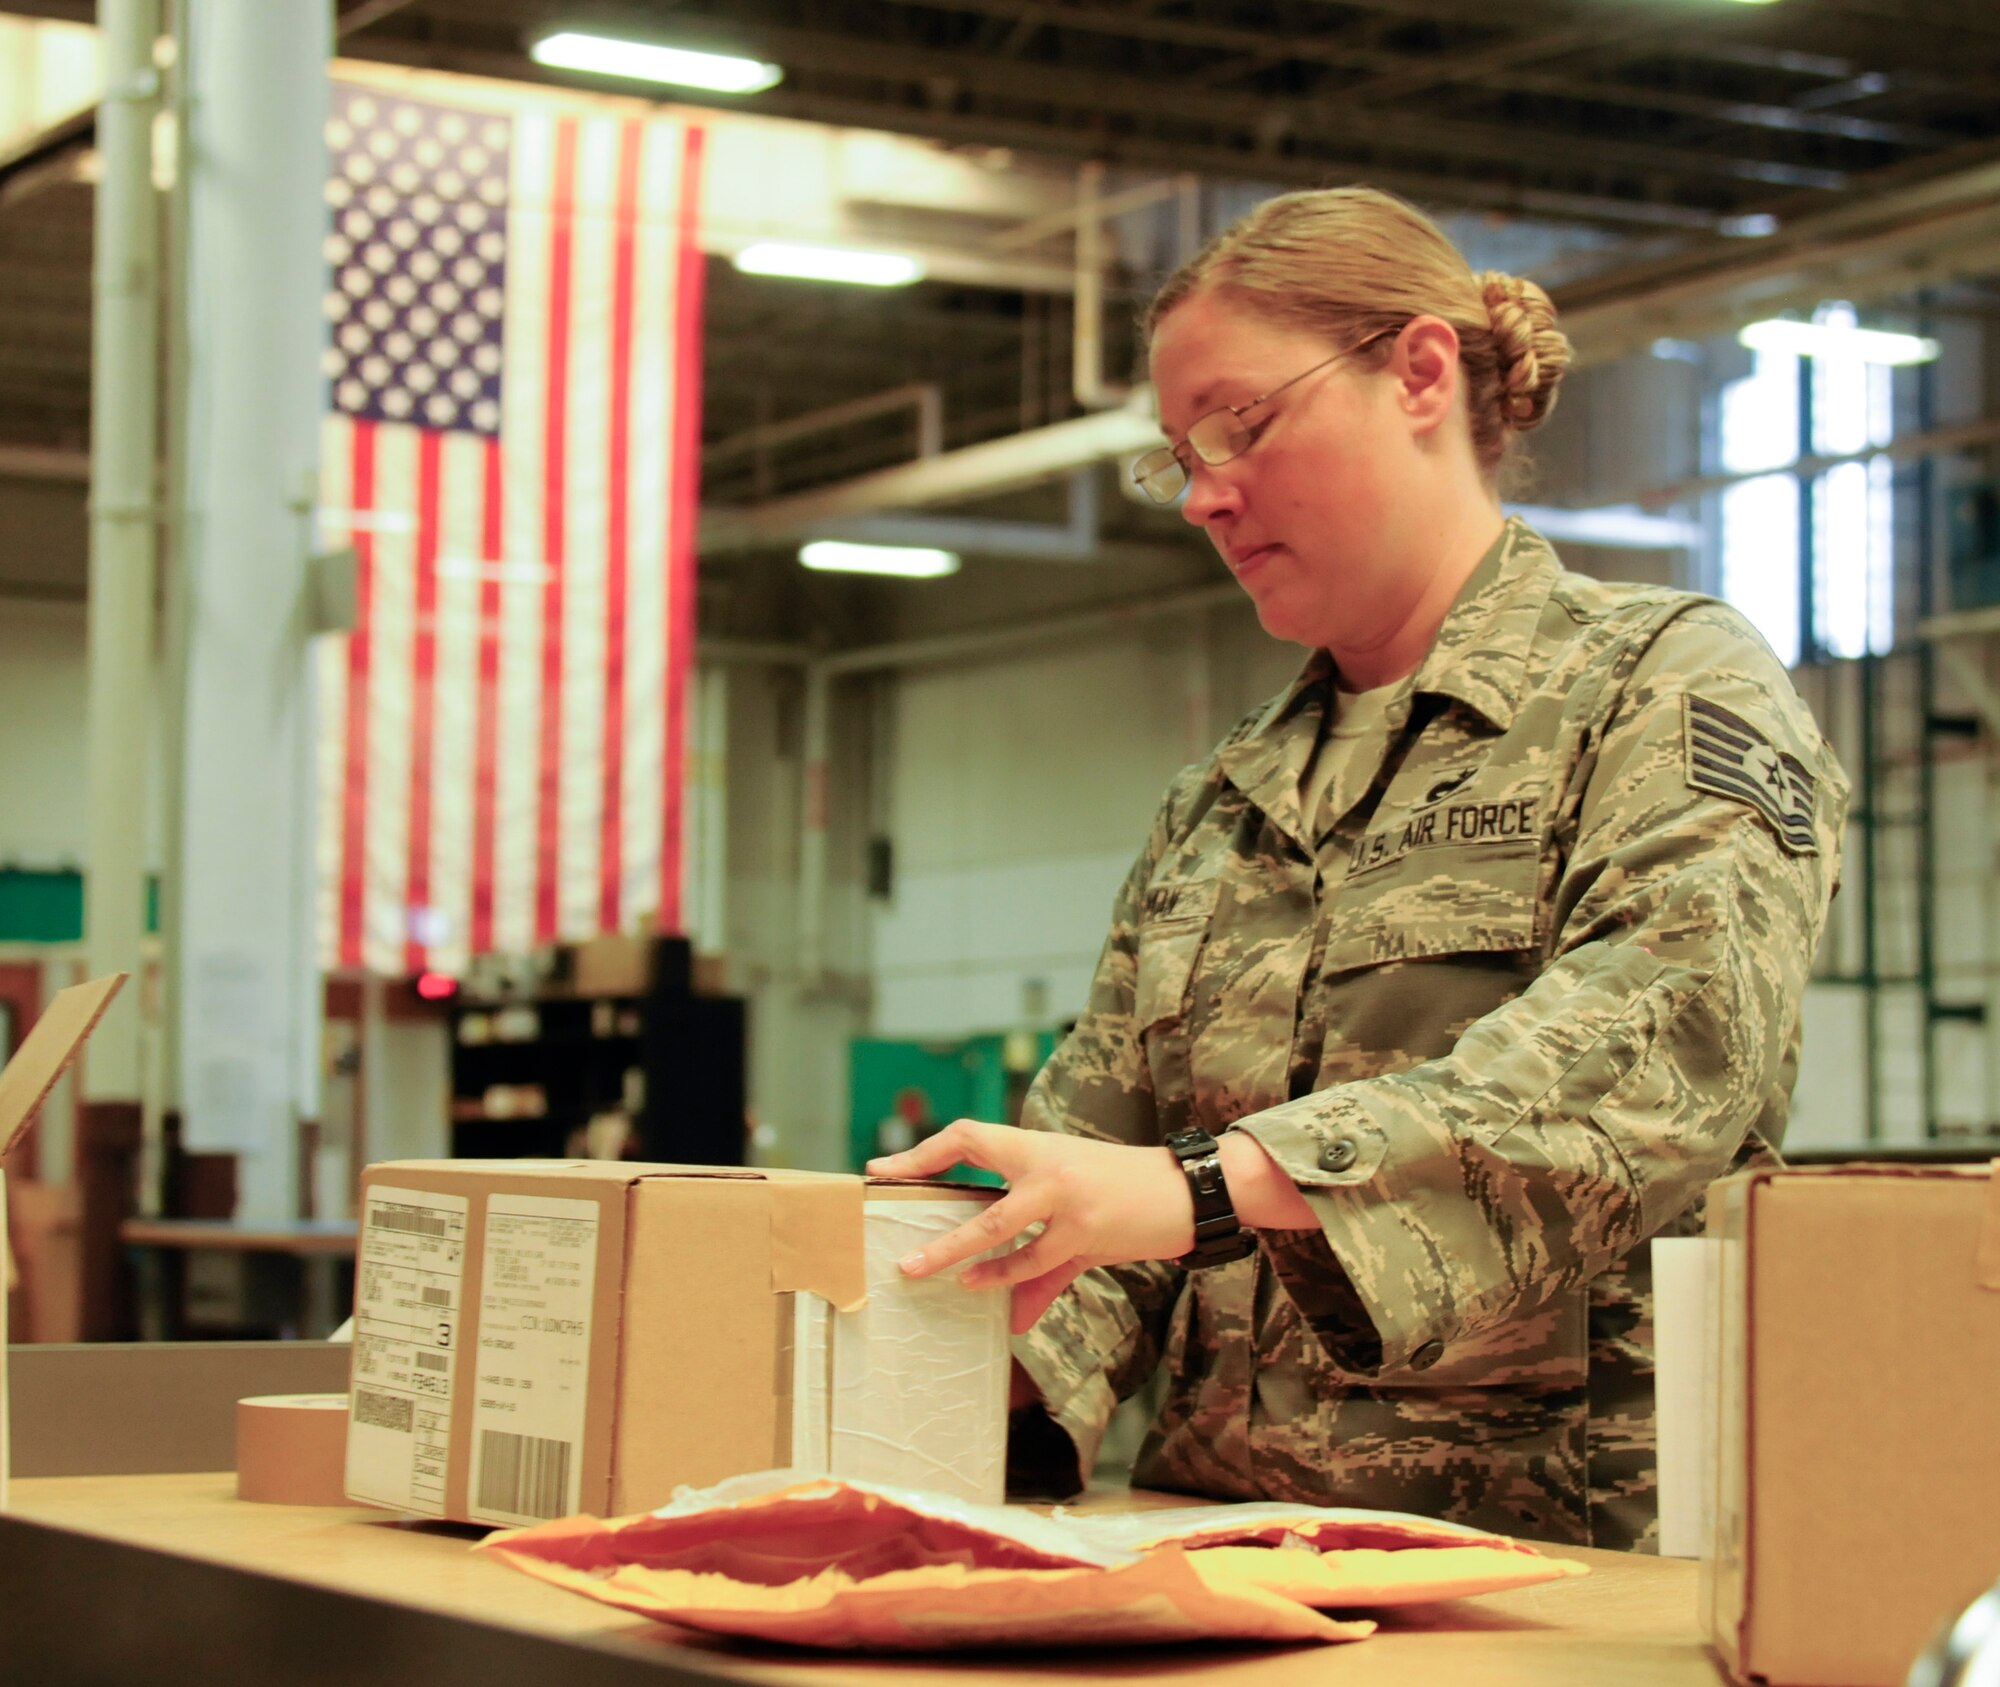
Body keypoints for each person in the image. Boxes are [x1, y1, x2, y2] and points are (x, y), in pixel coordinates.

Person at [867, 186, 1848, 1550]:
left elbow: (1659, 1054)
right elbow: (1099, 1168)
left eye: (1242, 426)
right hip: (1210, 1565)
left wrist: (1211, 1185)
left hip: (1547, 1582)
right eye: (1179, 456)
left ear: (1421, 372)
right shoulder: (1221, 798)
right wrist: (961, 1398)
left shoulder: (1660, 685)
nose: (1206, 493)